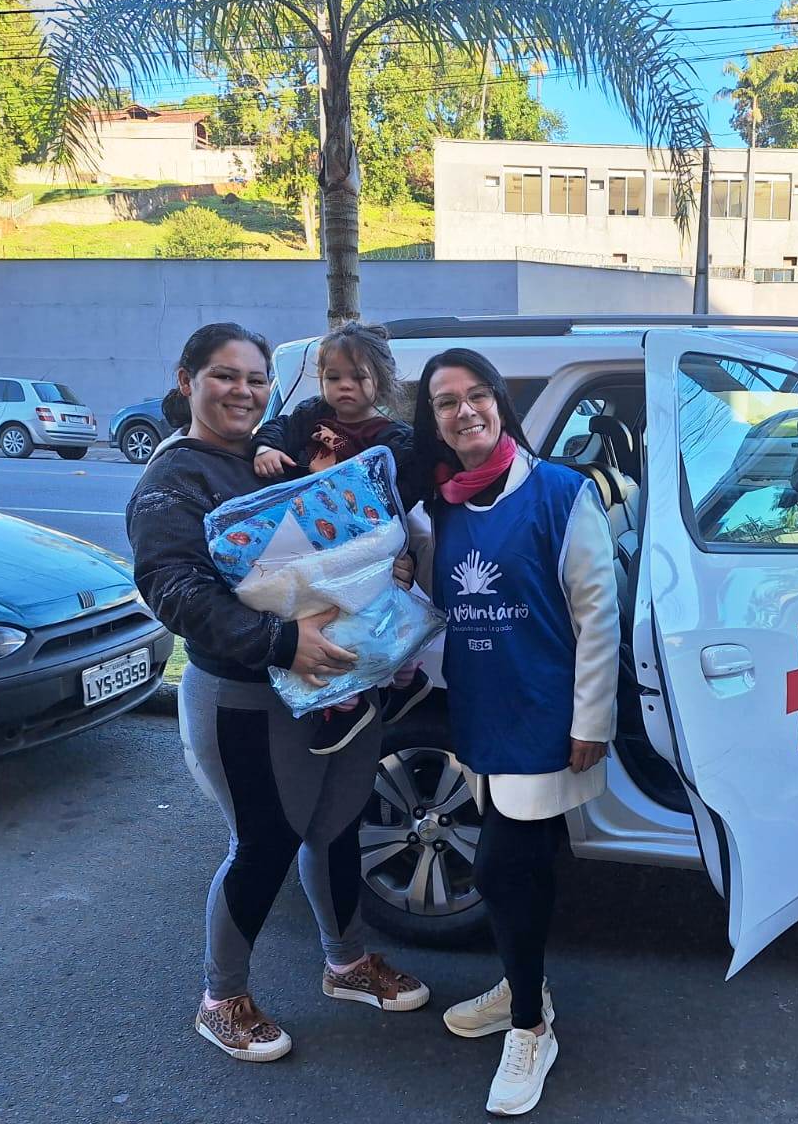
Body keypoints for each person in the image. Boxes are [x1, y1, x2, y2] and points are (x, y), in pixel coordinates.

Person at [126, 322, 429, 1064]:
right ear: (187, 381)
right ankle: (221, 999)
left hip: (341, 682)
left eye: (255, 379)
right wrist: (282, 643)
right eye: (224, 376)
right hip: (246, 698)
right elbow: (173, 589)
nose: (243, 392)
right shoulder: (175, 478)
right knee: (264, 844)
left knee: (338, 828)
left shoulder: (283, 452)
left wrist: (390, 571)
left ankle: (346, 963)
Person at [408, 348, 620, 1116]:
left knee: (500, 869)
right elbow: (426, 603)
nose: (464, 410)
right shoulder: (438, 511)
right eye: (446, 402)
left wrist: (592, 719)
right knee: (518, 865)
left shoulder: (561, 493)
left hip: (545, 714)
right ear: (433, 421)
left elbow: (598, 613)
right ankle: (518, 982)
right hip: (479, 713)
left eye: (477, 394)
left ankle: (531, 1026)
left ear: (499, 402)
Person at [253, 321, 432, 727]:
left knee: (366, 616)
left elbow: (405, 493)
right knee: (327, 619)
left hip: (365, 544)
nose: (344, 386)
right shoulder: (311, 415)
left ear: (380, 381)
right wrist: (265, 447)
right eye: (333, 377)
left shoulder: (395, 437)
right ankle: (360, 697)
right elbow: (277, 427)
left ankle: (369, 693)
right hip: (312, 539)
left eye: (358, 377)